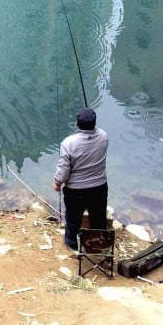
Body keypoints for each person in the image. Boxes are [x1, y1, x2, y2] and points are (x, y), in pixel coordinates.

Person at [53, 106, 109, 251]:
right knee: (98, 217)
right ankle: (99, 243)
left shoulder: (68, 143)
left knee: (73, 218)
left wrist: (58, 182)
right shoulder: (104, 136)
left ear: (77, 124)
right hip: (99, 187)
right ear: (95, 123)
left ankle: (72, 243)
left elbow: (64, 169)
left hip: (75, 191)